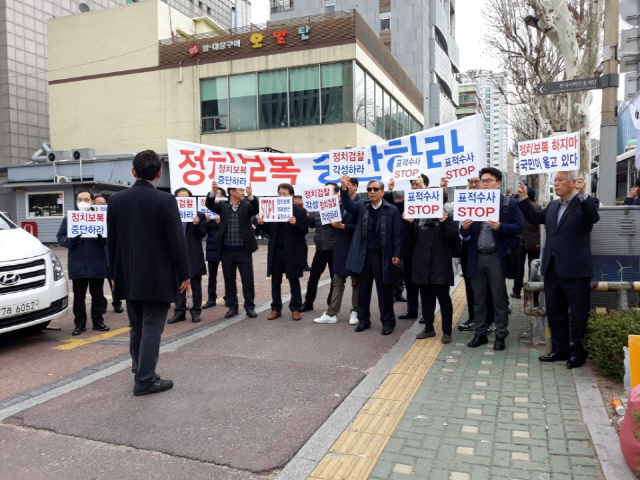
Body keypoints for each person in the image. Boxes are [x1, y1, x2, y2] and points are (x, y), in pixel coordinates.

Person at [107, 150, 189, 396]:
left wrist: (113, 272)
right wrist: (185, 273)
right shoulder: (165, 200)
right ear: (159, 173)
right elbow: (177, 241)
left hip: (128, 273)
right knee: (153, 326)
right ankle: (145, 379)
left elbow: (113, 241)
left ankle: (139, 368)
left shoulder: (116, 200)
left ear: (134, 172)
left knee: (137, 325)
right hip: (157, 274)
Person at [517, 172, 600, 368]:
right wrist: (523, 198)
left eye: (560, 180)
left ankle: (577, 353)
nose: (556, 183)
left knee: (579, 314)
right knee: (555, 311)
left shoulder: (586, 202)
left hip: (576, 269)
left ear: (574, 182)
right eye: (554, 180)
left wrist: (583, 194)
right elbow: (535, 217)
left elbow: (592, 218)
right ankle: (559, 348)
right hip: (552, 267)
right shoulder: (553, 205)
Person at [461, 167, 523, 351]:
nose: (484, 184)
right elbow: (464, 232)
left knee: (498, 298)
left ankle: (501, 334)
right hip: (476, 256)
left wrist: (500, 227)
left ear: (498, 183)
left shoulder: (508, 203)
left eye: (488, 181)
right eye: (482, 181)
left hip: (496, 257)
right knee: (478, 298)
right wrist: (464, 228)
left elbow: (518, 227)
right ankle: (480, 332)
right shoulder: (473, 202)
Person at [340, 175, 402, 335]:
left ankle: (388, 322)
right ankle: (363, 320)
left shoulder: (392, 209)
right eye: (369, 189)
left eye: (375, 189)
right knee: (363, 290)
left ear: (382, 191)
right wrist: (345, 189)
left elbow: (397, 234)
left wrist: (397, 253)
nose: (372, 192)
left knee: (385, 290)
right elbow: (348, 205)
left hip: (384, 256)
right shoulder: (362, 205)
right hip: (364, 256)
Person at [408, 186, 459, 344]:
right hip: (422, 263)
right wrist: (410, 224)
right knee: (426, 298)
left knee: (443, 298)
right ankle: (429, 328)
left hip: (440, 263)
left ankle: (447, 331)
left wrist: (443, 223)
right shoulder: (418, 217)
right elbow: (411, 239)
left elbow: (452, 237)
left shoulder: (449, 215)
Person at [57, 190, 110, 336]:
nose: (83, 202)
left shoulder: (100, 218)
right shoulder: (70, 218)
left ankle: (98, 321)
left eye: (86, 199)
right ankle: (80, 324)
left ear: (92, 201)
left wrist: (102, 239)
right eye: (80, 199)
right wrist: (70, 240)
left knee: (97, 295)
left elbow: (110, 238)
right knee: (79, 297)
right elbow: (60, 237)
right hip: (78, 263)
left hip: (96, 262)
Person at [205, 181, 259, 319]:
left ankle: (249, 307)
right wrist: (212, 192)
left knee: (248, 280)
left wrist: (251, 195)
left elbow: (256, 209)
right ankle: (233, 307)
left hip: (244, 250)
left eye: (243, 190)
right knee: (229, 280)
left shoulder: (247, 205)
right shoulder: (223, 206)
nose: (242, 192)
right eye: (240, 190)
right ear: (232, 192)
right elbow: (209, 204)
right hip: (227, 251)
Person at [258, 183, 309, 320]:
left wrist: (295, 223)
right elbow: (269, 230)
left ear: (291, 195)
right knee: (275, 281)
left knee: (293, 280)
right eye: (279, 194)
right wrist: (262, 224)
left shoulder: (299, 212)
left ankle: (296, 309)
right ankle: (276, 308)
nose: (281, 196)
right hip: (276, 250)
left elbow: (304, 230)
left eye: (284, 194)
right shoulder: (273, 209)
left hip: (292, 250)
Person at [314, 177, 360, 325]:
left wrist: (343, 227)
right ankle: (331, 312)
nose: (345, 187)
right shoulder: (338, 205)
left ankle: (356, 311)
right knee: (337, 281)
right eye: (343, 185)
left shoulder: (362, 203)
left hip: (355, 248)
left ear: (355, 187)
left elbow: (362, 228)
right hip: (340, 247)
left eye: (349, 185)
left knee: (356, 282)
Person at [167, 187, 208, 324]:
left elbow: (202, 233)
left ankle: (196, 312)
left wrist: (196, 225)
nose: (183, 201)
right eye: (180, 198)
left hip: (193, 253)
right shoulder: (171, 214)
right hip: (176, 253)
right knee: (178, 284)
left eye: (185, 198)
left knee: (196, 285)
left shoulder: (199, 215)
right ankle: (179, 312)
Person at [300, 183, 338, 312]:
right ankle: (308, 303)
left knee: (335, 278)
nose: (326, 193)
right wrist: (308, 216)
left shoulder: (339, 207)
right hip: (320, 247)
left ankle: (331, 304)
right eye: (325, 190)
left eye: (329, 190)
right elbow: (311, 225)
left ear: (336, 193)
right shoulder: (316, 207)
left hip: (334, 247)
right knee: (313, 276)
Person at [94, 194, 124, 314]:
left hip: (110, 256)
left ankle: (117, 303)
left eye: (104, 203)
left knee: (113, 281)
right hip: (97, 258)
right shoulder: (89, 219)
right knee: (98, 285)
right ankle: (102, 303)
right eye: (98, 203)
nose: (102, 205)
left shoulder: (112, 218)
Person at [511, 186, 541, 303]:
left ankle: (516, 291)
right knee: (533, 269)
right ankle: (534, 295)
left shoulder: (517, 207)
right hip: (534, 243)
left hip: (519, 241)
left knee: (519, 269)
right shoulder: (538, 207)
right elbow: (540, 227)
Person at [202, 187, 225, 310]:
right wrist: (204, 222)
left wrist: (222, 223)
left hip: (226, 247)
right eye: (215, 195)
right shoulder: (208, 212)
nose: (217, 197)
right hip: (212, 246)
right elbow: (203, 232)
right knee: (212, 275)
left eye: (219, 195)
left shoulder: (227, 210)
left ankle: (229, 297)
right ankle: (211, 298)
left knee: (229, 274)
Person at [294, 195, 311, 272]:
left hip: (301, 230)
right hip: (295, 231)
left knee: (303, 248)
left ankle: (304, 264)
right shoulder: (295, 209)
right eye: (299, 199)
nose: (300, 200)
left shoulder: (302, 209)